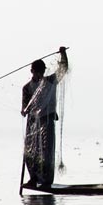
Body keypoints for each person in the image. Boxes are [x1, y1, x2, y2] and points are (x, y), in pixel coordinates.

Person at [21, 46, 69, 187]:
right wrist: (24, 111)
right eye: (37, 73)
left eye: (42, 72)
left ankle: (46, 181)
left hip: (47, 121)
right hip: (32, 124)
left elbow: (63, 69)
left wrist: (63, 54)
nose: (40, 75)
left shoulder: (50, 81)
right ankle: (33, 179)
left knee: (46, 153)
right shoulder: (27, 88)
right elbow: (24, 107)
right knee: (30, 152)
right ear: (32, 72)